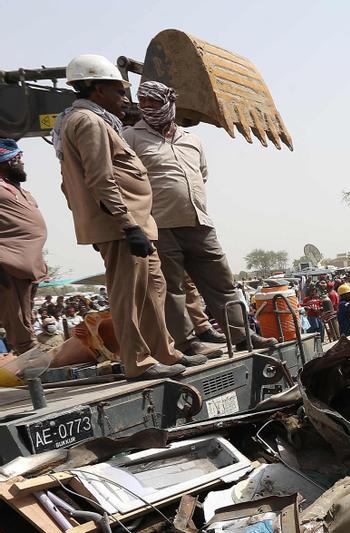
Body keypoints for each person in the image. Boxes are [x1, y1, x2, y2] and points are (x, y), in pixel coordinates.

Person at [53, 54, 202, 379]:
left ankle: (164, 351)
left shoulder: (99, 121)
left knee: (153, 289)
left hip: (135, 224)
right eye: (118, 91)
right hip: (122, 226)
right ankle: (138, 362)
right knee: (129, 295)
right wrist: (127, 223)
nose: (125, 98)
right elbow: (100, 177)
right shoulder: (88, 122)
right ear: (96, 89)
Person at [123, 81, 273, 353]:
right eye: (143, 104)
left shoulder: (192, 140)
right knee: (172, 290)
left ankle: (242, 337)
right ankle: (187, 343)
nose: (148, 109)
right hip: (160, 226)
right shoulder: (131, 137)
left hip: (200, 223)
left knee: (223, 284)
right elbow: (127, 180)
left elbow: (201, 175)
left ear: (168, 102)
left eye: (154, 103)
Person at [0, 139, 49, 354]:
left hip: (29, 266)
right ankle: (31, 371)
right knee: (17, 319)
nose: (22, 164)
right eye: (19, 160)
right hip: (8, 264)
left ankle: (32, 365)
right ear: (8, 161)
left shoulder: (17, 189)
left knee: (27, 318)